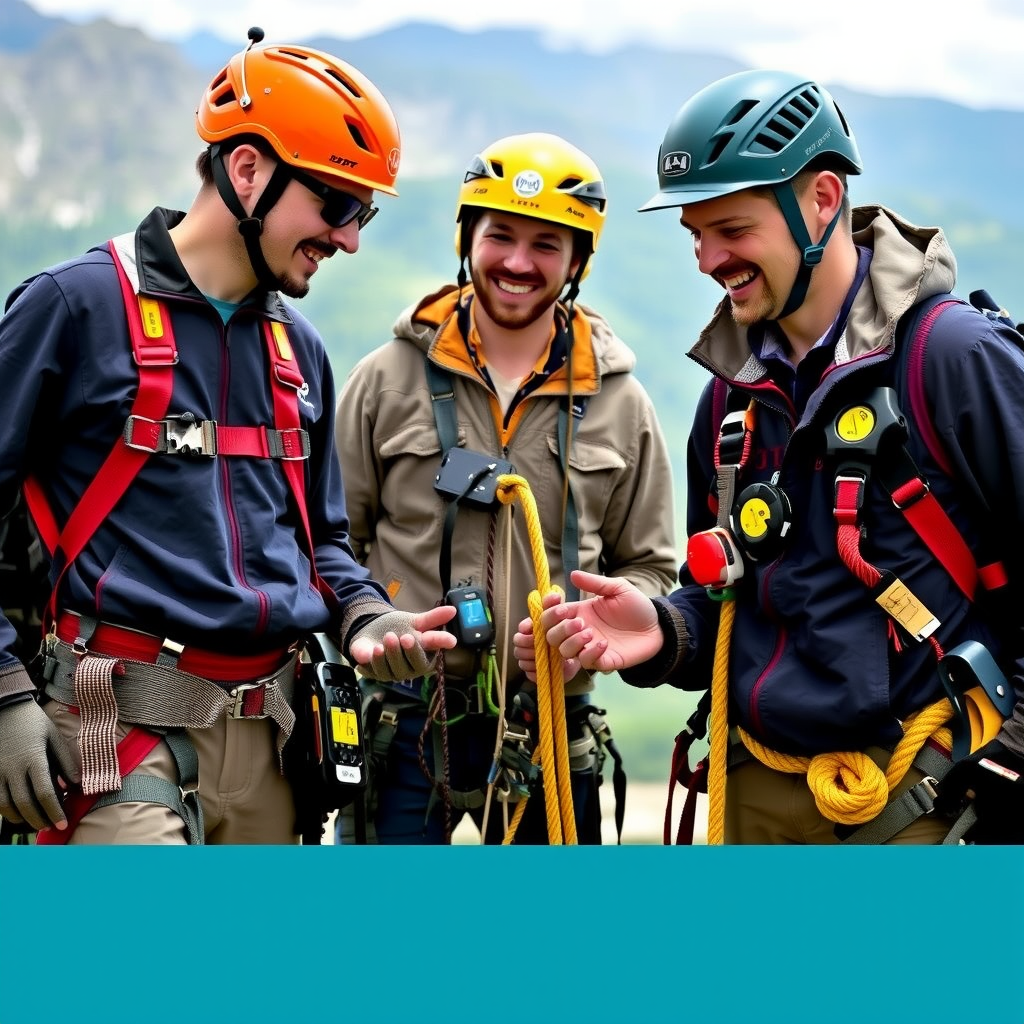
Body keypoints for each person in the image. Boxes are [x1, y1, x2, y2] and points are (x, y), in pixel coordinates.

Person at [515, 70, 1024, 845]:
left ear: (822, 200)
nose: (706, 259)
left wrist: (1006, 762)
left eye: (732, 230)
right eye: (694, 233)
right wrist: (661, 628)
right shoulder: (730, 406)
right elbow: (732, 604)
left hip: (924, 804)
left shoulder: (952, 359)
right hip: (750, 796)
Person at [0, 30, 458, 846]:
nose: (349, 238)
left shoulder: (298, 353)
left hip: (271, 744)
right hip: (114, 731)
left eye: (364, 215)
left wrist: (362, 618)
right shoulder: (73, 311)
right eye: (335, 204)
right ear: (247, 170)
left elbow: (323, 542)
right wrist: (3, 688)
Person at [333, 131, 678, 844]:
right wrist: (371, 622)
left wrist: (585, 633)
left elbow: (650, 568)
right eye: (501, 236)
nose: (519, 263)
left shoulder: (621, 402)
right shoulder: (385, 379)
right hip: (403, 719)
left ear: (578, 260)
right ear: (469, 238)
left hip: (552, 723)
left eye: (547, 244)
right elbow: (334, 540)